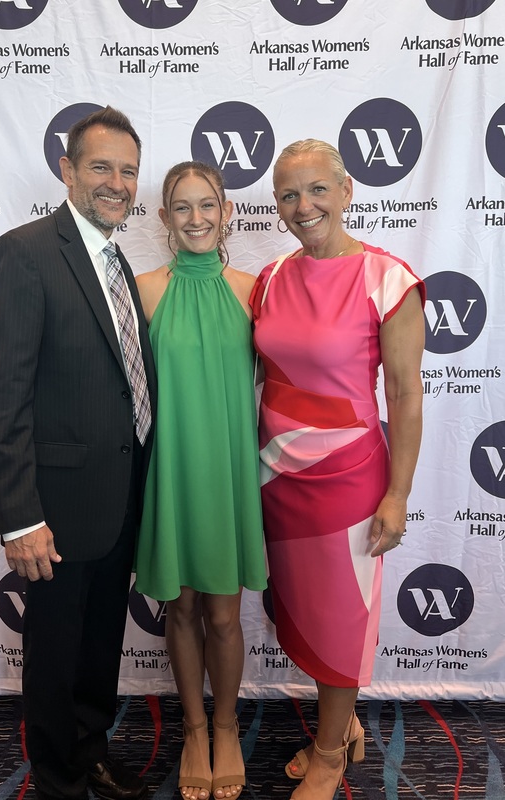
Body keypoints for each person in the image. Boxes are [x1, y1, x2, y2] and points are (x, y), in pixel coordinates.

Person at [0, 106, 157, 800]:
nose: (117, 182)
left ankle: (91, 753)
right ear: (68, 171)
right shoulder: (24, 254)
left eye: (128, 171)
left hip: (120, 496)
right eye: (102, 167)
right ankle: (56, 781)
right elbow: (3, 395)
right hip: (53, 509)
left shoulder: (117, 259)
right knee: (55, 655)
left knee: (100, 645)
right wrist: (19, 516)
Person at [250, 139, 425, 800]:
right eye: (289, 195)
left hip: (349, 480)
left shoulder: (389, 278)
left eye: (317, 189)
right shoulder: (270, 278)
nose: (304, 206)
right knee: (301, 610)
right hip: (276, 476)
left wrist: (399, 493)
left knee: (341, 616)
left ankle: (329, 753)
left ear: (347, 191)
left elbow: (405, 395)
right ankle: (342, 723)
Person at [134, 162, 267, 800]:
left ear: (227, 213)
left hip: (231, 470)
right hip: (172, 470)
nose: (195, 219)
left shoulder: (252, 289)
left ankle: (226, 726)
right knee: (181, 606)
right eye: (181, 208)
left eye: (207, 206)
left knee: (224, 611)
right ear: (163, 219)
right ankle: (192, 729)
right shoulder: (144, 290)